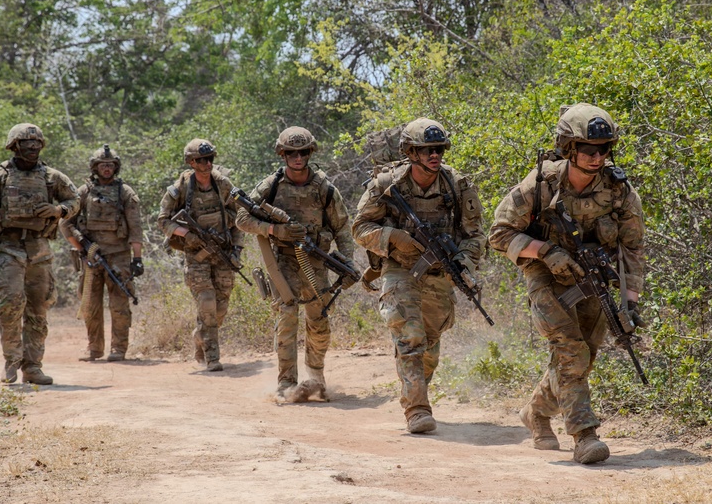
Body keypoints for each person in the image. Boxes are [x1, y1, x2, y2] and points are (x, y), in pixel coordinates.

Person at [488, 103, 646, 464]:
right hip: (544, 274)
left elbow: (632, 247)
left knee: (583, 357)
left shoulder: (619, 190)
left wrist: (630, 302)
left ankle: (536, 411)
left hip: (593, 276)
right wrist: (544, 251)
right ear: (568, 148)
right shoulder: (541, 184)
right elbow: (498, 234)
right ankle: (584, 435)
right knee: (571, 351)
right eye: (589, 149)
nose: (597, 156)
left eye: (604, 149)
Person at [352, 118, 485, 434]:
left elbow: (475, 234)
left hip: (439, 272)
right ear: (411, 151)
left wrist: (464, 263)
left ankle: (414, 390)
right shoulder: (387, 185)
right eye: (427, 150)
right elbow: (360, 229)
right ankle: (417, 409)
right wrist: (394, 237)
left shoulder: (457, 185)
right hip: (399, 270)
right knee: (409, 336)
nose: (434, 155)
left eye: (438, 149)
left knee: (429, 346)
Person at [235, 126, 354, 399]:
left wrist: (348, 261)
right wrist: (275, 231)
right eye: (291, 153)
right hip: (284, 263)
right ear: (282, 154)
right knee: (287, 319)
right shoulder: (271, 186)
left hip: (316, 262)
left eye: (302, 152)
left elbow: (342, 228)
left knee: (319, 321)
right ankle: (286, 383)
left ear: (310, 153)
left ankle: (316, 378)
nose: (297, 158)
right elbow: (242, 219)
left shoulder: (324, 188)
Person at [0, 123, 79, 385]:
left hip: (40, 250)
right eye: (26, 143)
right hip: (8, 249)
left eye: (37, 143)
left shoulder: (53, 177)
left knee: (38, 309)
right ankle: (11, 363)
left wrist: (58, 211)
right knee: (10, 306)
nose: (32, 147)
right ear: (14, 146)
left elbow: (75, 201)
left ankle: (33, 367)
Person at [158, 139, 243, 372]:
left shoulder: (223, 185)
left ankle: (200, 337)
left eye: (210, 159)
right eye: (201, 160)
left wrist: (237, 250)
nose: (207, 164)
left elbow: (239, 220)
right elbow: (162, 220)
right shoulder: (181, 188)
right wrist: (186, 235)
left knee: (220, 309)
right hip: (196, 255)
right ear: (191, 162)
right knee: (206, 302)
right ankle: (212, 357)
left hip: (223, 252)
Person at [61, 145, 144, 363]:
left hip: (119, 256)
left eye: (110, 165)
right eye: (102, 165)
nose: (106, 169)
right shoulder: (83, 192)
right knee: (90, 305)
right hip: (90, 258)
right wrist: (82, 247)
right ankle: (94, 349)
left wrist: (137, 258)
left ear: (115, 167)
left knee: (119, 305)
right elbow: (65, 224)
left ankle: (118, 349)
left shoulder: (125, 192)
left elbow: (135, 228)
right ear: (95, 167)